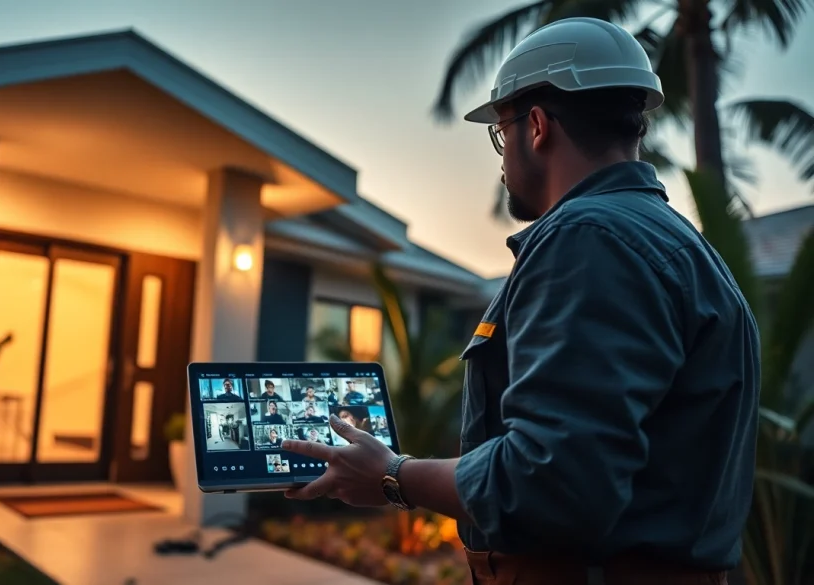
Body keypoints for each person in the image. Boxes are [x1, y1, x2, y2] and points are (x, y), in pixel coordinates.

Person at [281, 17, 758, 585]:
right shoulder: (678, 244)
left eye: (500, 132)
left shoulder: (587, 239)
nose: (502, 156)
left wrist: (393, 475)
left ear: (535, 126)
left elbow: (549, 481)